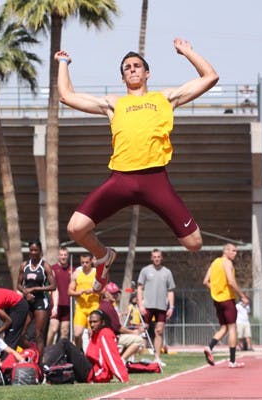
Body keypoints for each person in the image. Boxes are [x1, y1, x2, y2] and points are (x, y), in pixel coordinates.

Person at [56, 37, 219, 292]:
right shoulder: (114, 104)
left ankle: (105, 257)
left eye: (136, 66)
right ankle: (104, 256)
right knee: (75, 228)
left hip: (155, 180)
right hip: (120, 180)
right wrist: (64, 63)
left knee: (194, 243)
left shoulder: (165, 98)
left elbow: (210, 77)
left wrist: (188, 52)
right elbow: (66, 96)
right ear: (123, 78)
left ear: (147, 73)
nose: (131, 69)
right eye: (126, 68)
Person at [42, 309, 128, 383]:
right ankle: (47, 373)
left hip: (94, 374)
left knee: (65, 343)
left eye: (95, 322)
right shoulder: (96, 334)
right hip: (89, 370)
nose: (92, 324)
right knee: (65, 352)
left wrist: (123, 377)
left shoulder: (105, 333)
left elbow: (112, 356)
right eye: (90, 322)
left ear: (103, 322)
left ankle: (45, 368)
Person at [202, 243, 249, 368]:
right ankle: (232, 361)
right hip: (227, 299)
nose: (235, 253)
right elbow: (231, 281)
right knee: (232, 328)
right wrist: (242, 295)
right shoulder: (227, 263)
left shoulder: (214, 262)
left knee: (224, 327)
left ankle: (209, 347)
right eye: (233, 251)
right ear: (226, 251)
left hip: (217, 300)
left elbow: (205, 281)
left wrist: (216, 290)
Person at [17, 240, 56, 358]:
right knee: (21, 334)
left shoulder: (45, 266)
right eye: (31, 250)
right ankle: (33, 352)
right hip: (28, 302)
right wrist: (25, 293)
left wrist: (34, 289)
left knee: (38, 334)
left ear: (40, 252)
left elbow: (53, 286)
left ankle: (40, 364)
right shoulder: (24, 265)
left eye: (36, 250)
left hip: (41, 301)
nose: (33, 253)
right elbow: (18, 285)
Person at [137, 249, 175, 367]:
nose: (157, 258)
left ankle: (157, 358)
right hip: (147, 306)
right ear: (151, 258)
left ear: (161, 258)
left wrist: (171, 307)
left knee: (159, 331)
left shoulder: (167, 272)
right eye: (154, 257)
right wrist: (140, 305)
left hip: (161, 307)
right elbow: (139, 288)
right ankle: (132, 356)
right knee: (142, 330)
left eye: (158, 256)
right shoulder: (145, 271)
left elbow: (170, 291)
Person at [98, 282, 145, 362]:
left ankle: (119, 360)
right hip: (111, 337)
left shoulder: (105, 304)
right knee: (139, 340)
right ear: (106, 294)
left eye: (117, 293)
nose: (115, 295)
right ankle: (121, 361)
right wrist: (133, 332)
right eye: (113, 294)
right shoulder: (108, 307)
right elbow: (118, 328)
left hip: (108, 336)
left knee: (133, 340)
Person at [68, 253, 99, 350]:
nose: (84, 264)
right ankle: (80, 353)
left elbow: (104, 290)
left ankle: (92, 356)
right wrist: (77, 293)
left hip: (94, 307)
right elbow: (69, 291)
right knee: (77, 335)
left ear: (91, 262)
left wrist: (93, 290)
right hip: (80, 308)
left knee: (92, 334)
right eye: (82, 262)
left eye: (87, 262)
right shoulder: (77, 273)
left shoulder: (96, 273)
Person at [47, 247, 72, 345]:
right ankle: (47, 350)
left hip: (67, 305)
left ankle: (61, 354)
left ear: (68, 256)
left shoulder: (72, 270)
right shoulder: (53, 269)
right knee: (53, 329)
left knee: (65, 332)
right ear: (58, 256)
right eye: (61, 255)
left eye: (65, 255)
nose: (63, 257)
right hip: (55, 304)